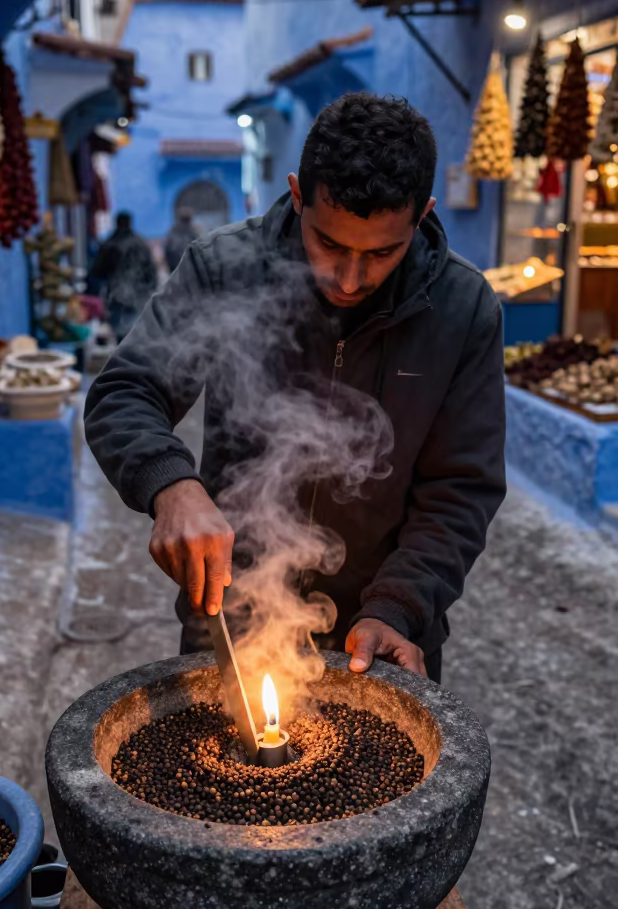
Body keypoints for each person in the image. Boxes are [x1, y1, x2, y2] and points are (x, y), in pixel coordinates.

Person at [85, 94, 506, 683]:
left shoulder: (462, 307)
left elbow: (460, 487)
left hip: (378, 638)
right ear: (298, 193)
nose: (351, 278)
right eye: (330, 245)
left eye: (383, 252)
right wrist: (172, 485)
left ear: (424, 213)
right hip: (232, 621)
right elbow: (125, 391)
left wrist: (400, 606)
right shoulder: (223, 269)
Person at [89, 212, 157, 341]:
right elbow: (151, 270)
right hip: (138, 294)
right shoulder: (141, 244)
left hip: (116, 296)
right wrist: (152, 290)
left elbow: (97, 271)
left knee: (120, 330)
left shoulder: (109, 244)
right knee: (135, 329)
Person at [164, 204, 200, 273]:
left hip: (175, 270)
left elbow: (167, 250)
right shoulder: (193, 232)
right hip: (192, 271)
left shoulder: (173, 232)